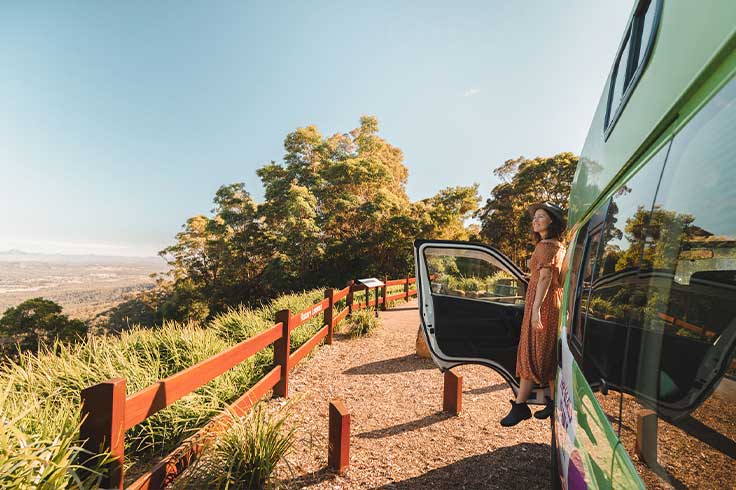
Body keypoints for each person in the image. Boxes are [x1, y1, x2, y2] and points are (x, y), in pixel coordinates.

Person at [501, 202, 566, 427]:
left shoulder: (545, 246)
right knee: (546, 351)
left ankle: (520, 406)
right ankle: (553, 400)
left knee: (532, 350)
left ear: (552, 221)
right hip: (551, 301)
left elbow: (546, 277)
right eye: (534, 217)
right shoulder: (559, 246)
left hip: (544, 304)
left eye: (540, 216)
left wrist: (536, 308)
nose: (535, 220)